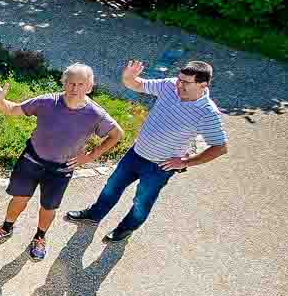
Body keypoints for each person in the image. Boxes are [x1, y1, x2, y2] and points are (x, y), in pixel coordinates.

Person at [67, 59, 228, 243]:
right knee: (112, 187)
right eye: (179, 79)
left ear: (202, 85)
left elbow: (220, 147)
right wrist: (129, 77)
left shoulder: (207, 113)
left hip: (159, 167)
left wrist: (185, 162)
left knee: (141, 202)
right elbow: (137, 84)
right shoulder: (169, 86)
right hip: (136, 153)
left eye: (185, 82)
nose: (178, 84)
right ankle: (94, 214)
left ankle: (125, 229)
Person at [0, 65, 124, 260]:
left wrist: (90, 156)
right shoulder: (47, 101)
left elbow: (117, 134)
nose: (75, 88)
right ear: (64, 84)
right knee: (19, 198)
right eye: (71, 83)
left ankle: (40, 237)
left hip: (61, 169)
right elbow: (13, 110)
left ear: (89, 87)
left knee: (48, 208)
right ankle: (6, 227)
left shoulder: (96, 114)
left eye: (81, 84)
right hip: (31, 160)